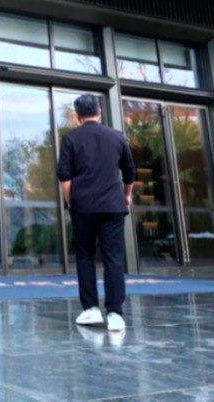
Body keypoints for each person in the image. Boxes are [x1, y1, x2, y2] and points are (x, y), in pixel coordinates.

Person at [57, 94, 136, 331]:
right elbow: (129, 171)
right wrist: (127, 194)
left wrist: (70, 200)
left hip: (83, 206)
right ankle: (115, 314)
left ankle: (90, 309)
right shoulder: (117, 137)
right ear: (99, 112)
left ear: (77, 115)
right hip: (113, 205)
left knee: (85, 255)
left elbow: (64, 176)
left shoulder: (71, 138)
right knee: (114, 257)